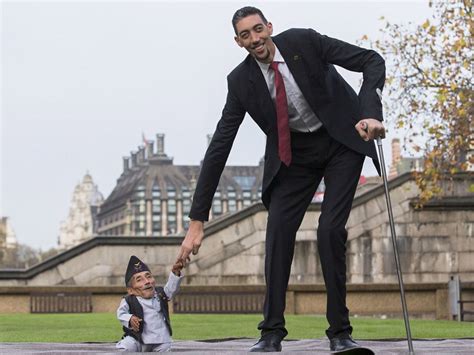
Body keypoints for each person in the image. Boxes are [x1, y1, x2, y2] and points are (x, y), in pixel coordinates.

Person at [176, 6, 385, 353]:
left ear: (269, 27)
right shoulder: (240, 81)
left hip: (341, 142)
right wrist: (197, 221)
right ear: (237, 41)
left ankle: (340, 334)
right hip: (294, 156)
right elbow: (219, 148)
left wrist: (369, 113)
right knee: (278, 232)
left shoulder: (305, 40)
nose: (255, 39)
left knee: (330, 230)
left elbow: (371, 60)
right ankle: (271, 333)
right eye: (246, 35)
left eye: (258, 29)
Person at [116, 255, 184, 352]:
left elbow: (171, 289)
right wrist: (130, 318)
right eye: (139, 280)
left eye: (148, 277)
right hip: (138, 339)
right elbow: (121, 313)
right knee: (127, 346)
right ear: (131, 290)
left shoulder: (161, 294)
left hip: (161, 340)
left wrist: (175, 273)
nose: (147, 282)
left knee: (167, 349)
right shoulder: (129, 300)